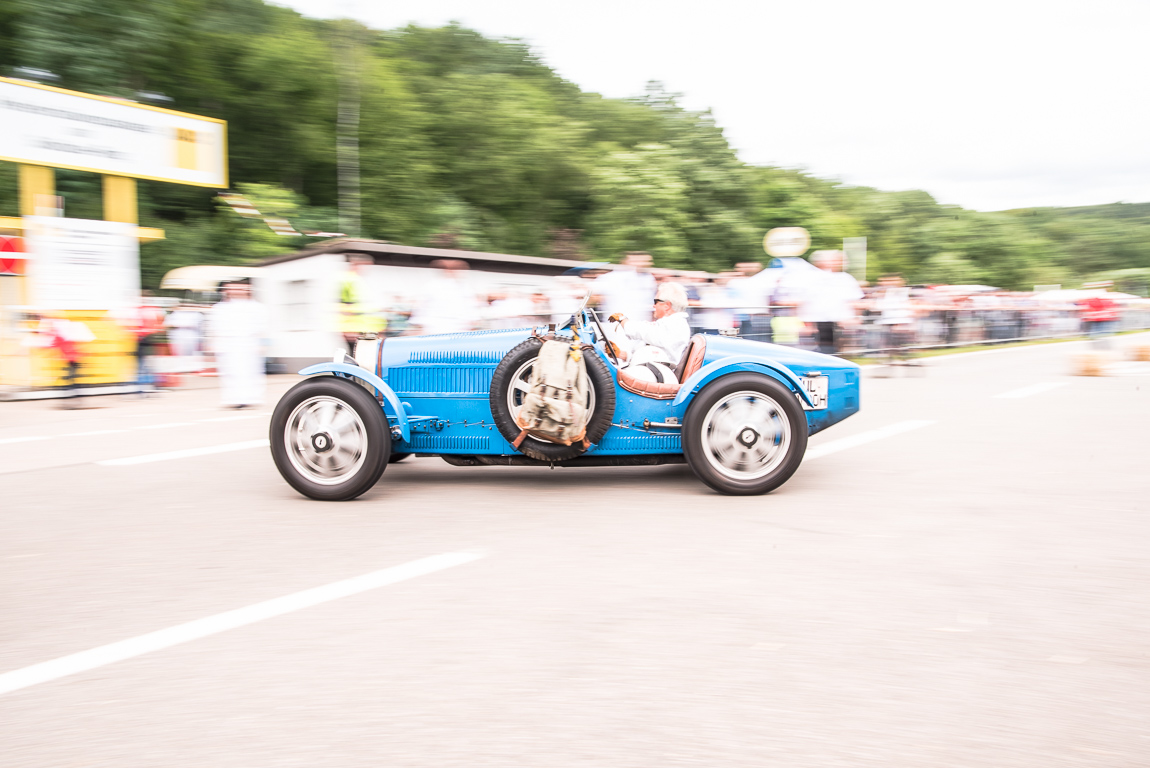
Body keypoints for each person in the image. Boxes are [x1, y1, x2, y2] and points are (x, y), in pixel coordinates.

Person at [608, 282, 692, 375]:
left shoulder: (676, 324)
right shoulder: (671, 323)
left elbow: (643, 331)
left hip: (658, 375)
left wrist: (622, 319)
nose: (653, 305)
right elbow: (652, 353)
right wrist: (621, 354)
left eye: (656, 301)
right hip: (654, 370)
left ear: (667, 305)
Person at [208, 280, 268, 409]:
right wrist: (213, 343)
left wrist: (263, 343)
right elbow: (214, 327)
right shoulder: (220, 308)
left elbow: (263, 326)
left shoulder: (256, 307)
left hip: (248, 342)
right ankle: (232, 398)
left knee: (250, 371)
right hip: (227, 343)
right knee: (230, 372)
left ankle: (251, 397)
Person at [795, 250, 863, 355]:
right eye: (835, 260)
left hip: (837, 321)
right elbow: (805, 301)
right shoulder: (811, 277)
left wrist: (854, 317)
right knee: (824, 350)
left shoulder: (845, 278)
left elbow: (854, 300)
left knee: (834, 350)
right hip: (820, 321)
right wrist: (807, 323)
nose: (840, 263)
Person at [593, 252, 656, 323]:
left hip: (642, 325)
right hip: (617, 325)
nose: (648, 264)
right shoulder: (610, 277)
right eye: (642, 261)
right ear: (628, 262)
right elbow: (592, 295)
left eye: (647, 261)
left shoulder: (649, 278)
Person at [338, 255, 384, 352]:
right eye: (365, 266)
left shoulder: (359, 280)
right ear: (356, 265)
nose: (367, 269)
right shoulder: (349, 280)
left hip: (364, 327)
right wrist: (349, 329)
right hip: (355, 328)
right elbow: (346, 305)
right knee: (358, 354)